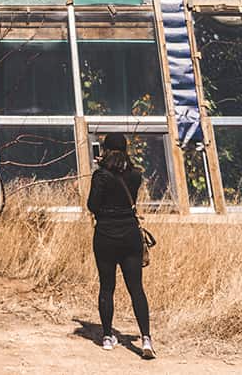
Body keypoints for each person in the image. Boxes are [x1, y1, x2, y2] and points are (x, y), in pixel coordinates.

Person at [87, 132, 156, 359]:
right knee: (136, 288)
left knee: (107, 287)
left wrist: (100, 170)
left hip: (106, 235)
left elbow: (92, 205)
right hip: (129, 235)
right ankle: (146, 339)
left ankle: (107, 336)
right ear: (126, 149)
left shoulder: (101, 176)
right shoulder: (135, 175)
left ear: (105, 150)